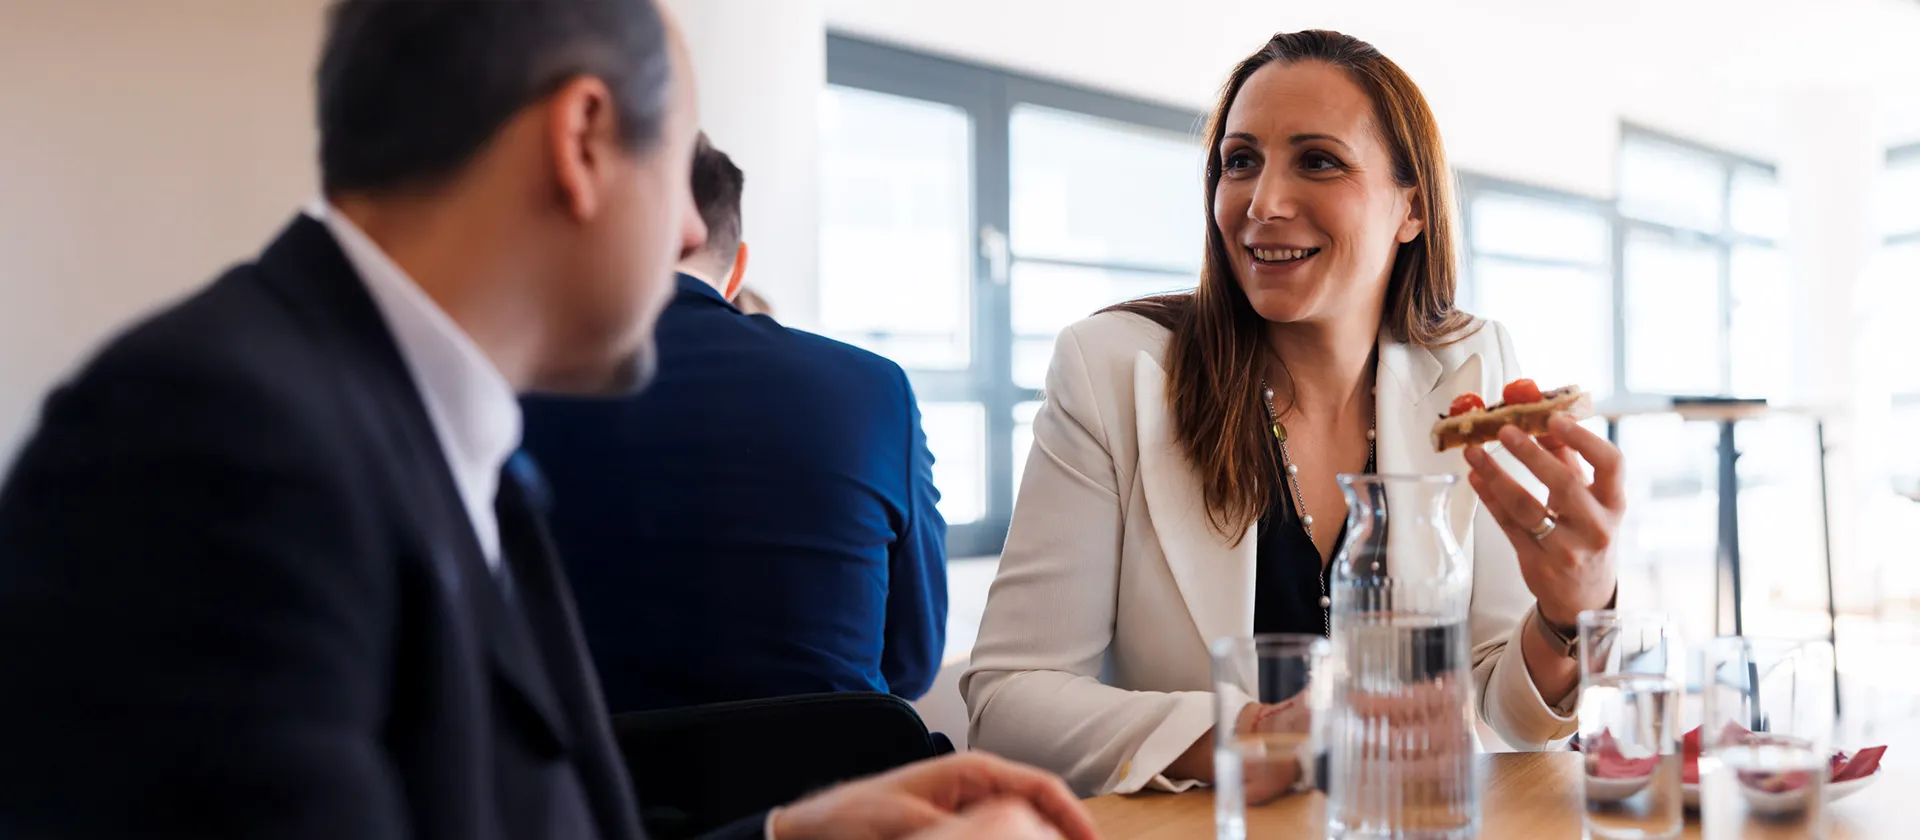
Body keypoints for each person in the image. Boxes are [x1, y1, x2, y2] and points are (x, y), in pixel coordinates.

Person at [0, 2, 1090, 839]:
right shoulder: (207, 449)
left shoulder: (444, 435)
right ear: (583, 140)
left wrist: (789, 831)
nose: (681, 236)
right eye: (675, 178)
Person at [961, 29, 1625, 797]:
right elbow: (1009, 701)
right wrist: (1251, 737)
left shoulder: (1472, 369)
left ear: (1412, 208)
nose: (1262, 202)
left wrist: (1567, 614)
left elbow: (1500, 716)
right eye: (1239, 162)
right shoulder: (1110, 370)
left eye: (1318, 161)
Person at [519, 136, 947, 713]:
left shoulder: (516, 390)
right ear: (738, 266)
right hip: (843, 788)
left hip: (589, 796)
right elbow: (913, 661)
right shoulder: (874, 389)